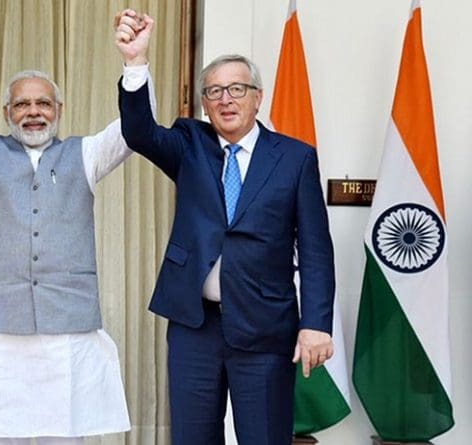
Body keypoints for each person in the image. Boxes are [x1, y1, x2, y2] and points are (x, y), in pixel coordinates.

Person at [0, 16, 155, 445]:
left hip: (66, 328)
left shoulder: (87, 154)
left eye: (43, 104)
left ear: (58, 111)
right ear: (7, 113)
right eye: (22, 105)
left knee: (64, 435)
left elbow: (135, 132)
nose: (33, 112)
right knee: (0, 436)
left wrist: (135, 63)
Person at [114, 11, 335, 445]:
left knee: (264, 438)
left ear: (258, 98)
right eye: (214, 92)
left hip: (265, 326)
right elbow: (139, 132)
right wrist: (135, 62)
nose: (225, 100)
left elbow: (315, 250)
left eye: (237, 89)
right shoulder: (188, 144)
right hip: (195, 327)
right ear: (204, 104)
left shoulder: (294, 158)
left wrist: (316, 324)